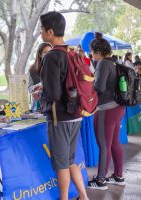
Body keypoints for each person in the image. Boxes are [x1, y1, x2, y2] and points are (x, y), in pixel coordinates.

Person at [39, 11, 88, 200]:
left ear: (50, 32)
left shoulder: (51, 56)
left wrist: (41, 94)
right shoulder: (71, 52)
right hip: (76, 113)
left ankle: (64, 198)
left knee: (61, 164)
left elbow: (52, 94)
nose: (41, 33)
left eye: (42, 29)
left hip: (60, 116)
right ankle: (83, 196)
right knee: (70, 160)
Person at [87, 32, 125, 190]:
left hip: (106, 110)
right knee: (114, 143)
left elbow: (99, 88)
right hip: (117, 108)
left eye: (91, 52)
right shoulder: (114, 62)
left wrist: (88, 84)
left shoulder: (102, 63)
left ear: (97, 52)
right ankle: (118, 176)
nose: (90, 55)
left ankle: (101, 180)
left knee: (104, 145)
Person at [27, 42, 52, 111]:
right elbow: (29, 88)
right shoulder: (32, 69)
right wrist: (38, 86)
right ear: (40, 54)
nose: (48, 55)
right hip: (36, 107)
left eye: (50, 52)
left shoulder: (55, 68)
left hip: (50, 106)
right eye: (45, 52)